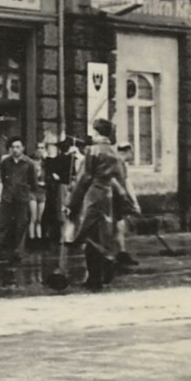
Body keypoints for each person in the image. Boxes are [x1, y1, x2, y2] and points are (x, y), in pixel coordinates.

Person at [65, 118, 130, 289]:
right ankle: (107, 266)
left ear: (96, 131)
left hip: (93, 196)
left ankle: (94, 278)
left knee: (90, 237)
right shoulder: (114, 153)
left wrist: (71, 202)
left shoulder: (92, 150)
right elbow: (121, 179)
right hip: (109, 197)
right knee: (104, 235)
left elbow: (84, 178)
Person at [0, 136, 36, 263]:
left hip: (22, 198)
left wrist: (25, 192)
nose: (15, 150)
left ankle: (17, 252)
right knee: (1, 225)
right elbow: (3, 178)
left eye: (18, 147)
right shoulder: (5, 162)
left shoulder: (29, 163)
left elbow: (33, 181)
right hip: (7, 197)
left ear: (23, 148)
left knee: (20, 225)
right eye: (13, 147)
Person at [113, 143, 141, 266]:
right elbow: (110, 178)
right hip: (109, 198)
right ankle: (114, 255)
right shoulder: (113, 162)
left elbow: (126, 181)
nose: (133, 154)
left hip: (118, 199)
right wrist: (120, 190)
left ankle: (121, 253)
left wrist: (134, 202)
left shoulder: (123, 165)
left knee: (119, 224)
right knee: (114, 225)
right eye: (132, 151)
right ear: (126, 151)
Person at [28, 140, 48, 248]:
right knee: (33, 217)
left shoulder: (44, 167)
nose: (37, 162)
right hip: (33, 192)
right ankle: (32, 238)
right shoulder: (31, 168)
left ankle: (39, 238)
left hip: (42, 192)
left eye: (38, 160)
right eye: (35, 160)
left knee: (40, 218)